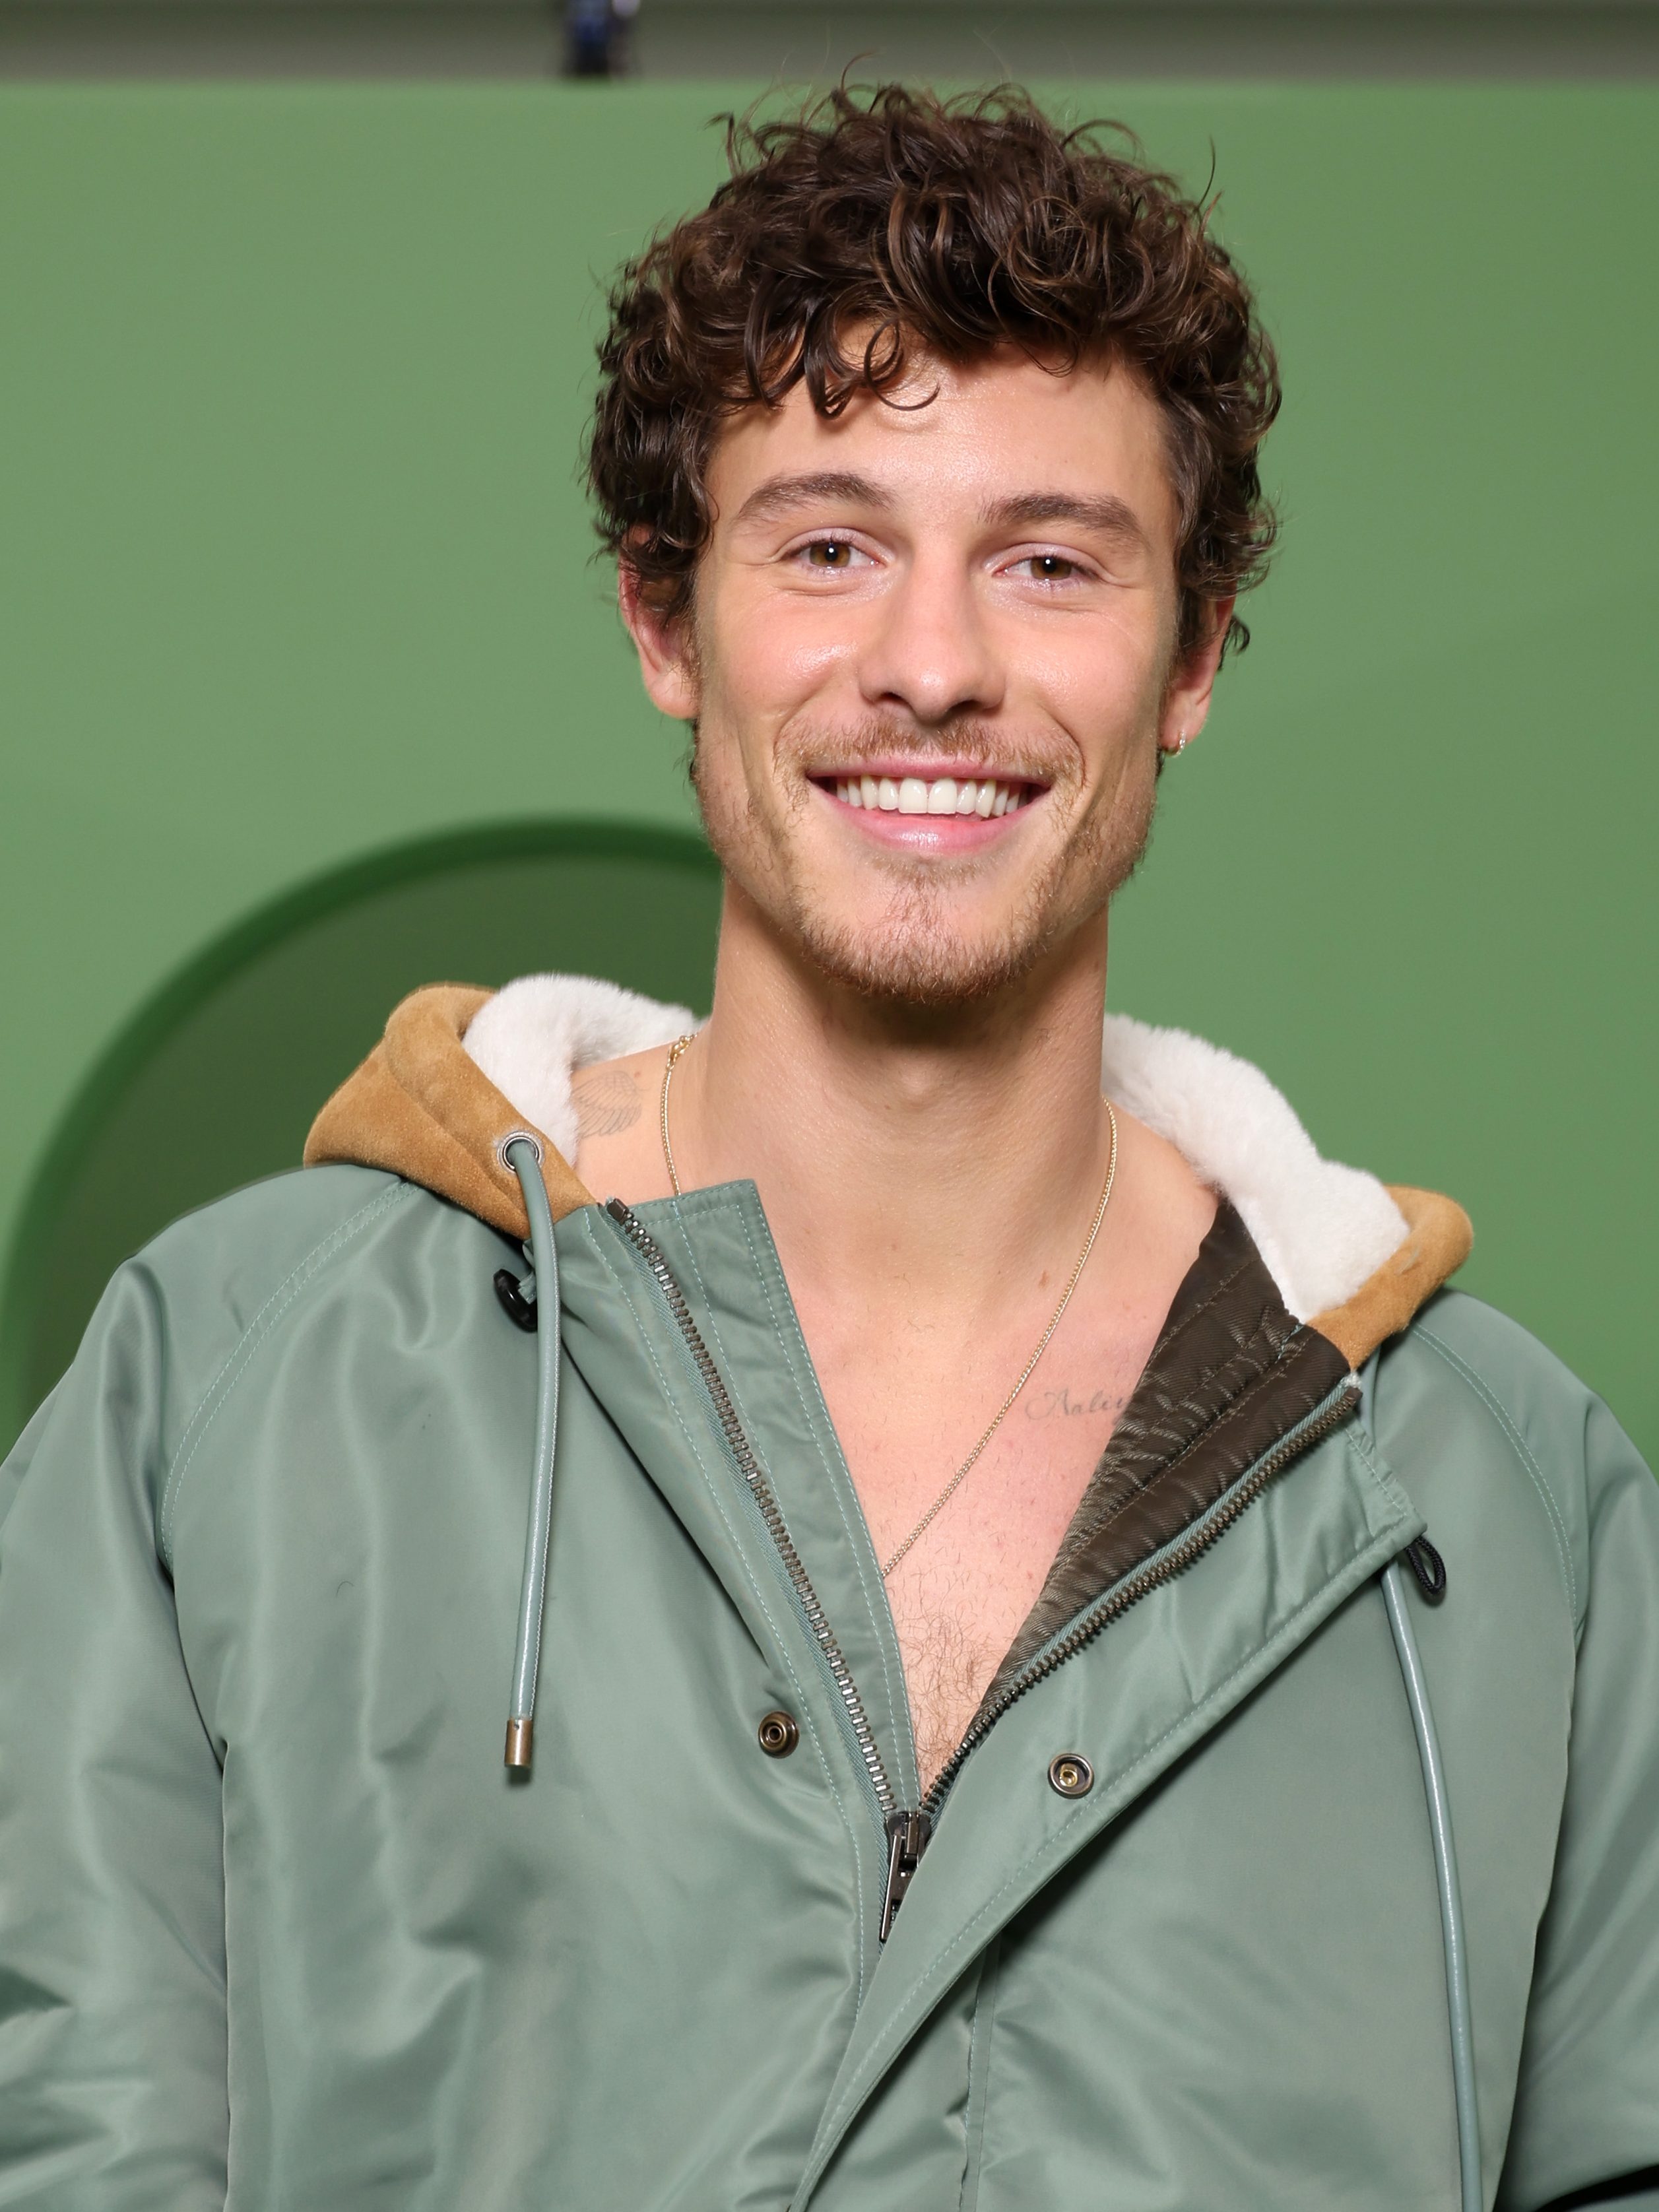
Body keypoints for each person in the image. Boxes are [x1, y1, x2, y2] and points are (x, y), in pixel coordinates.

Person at [0, 84, 1654, 2212]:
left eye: (1047, 562)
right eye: (828, 548)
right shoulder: (227, 1387)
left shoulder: (1500, 1503)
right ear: (664, 623)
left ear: (1187, 658)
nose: (932, 667)